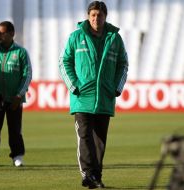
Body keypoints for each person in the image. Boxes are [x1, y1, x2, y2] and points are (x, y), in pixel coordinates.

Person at [59, 1, 128, 189]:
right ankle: (88, 175)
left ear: (106, 16)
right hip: (82, 97)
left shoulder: (115, 39)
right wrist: (74, 86)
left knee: (100, 142)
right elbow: (64, 62)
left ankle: (96, 177)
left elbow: (123, 64)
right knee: (84, 137)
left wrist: (116, 88)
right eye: (93, 15)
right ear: (88, 16)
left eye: (100, 15)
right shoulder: (75, 37)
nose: (96, 18)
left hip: (105, 98)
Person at [0, 21, 32, 167]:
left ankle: (17, 156)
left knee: (15, 129)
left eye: (2, 33)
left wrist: (19, 95)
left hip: (14, 98)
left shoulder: (21, 52)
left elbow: (27, 74)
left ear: (12, 34)